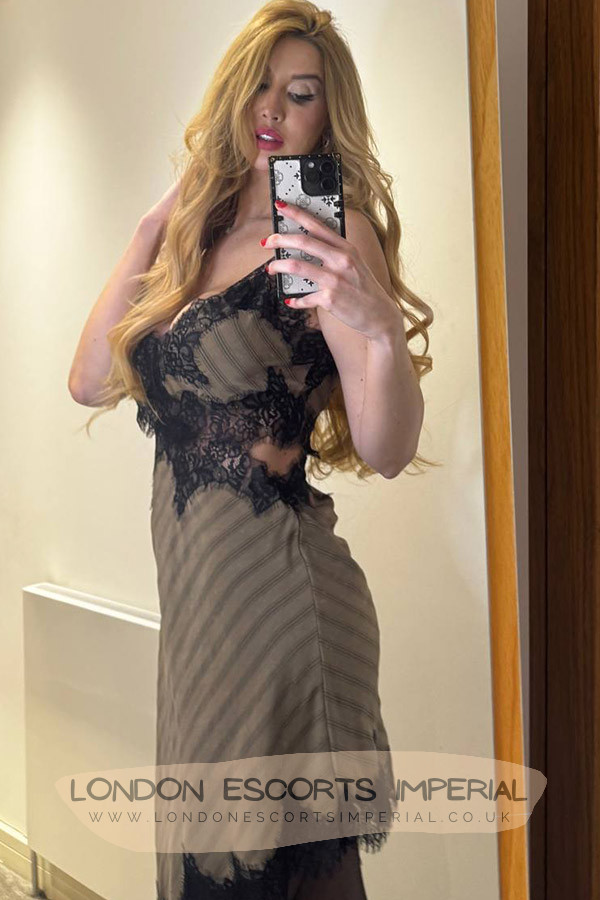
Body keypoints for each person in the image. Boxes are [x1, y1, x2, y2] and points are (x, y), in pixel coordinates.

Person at [68, 2, 433, 897]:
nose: (271, 107)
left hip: (279, 605)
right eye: (258, 86)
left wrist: (381, 329)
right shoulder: (194, 233)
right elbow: (88, 379)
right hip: (200, 612)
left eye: (300, 95)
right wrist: (156, 221)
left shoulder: (323, 234)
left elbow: (387, 447)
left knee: (269, 877)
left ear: (326, 117)